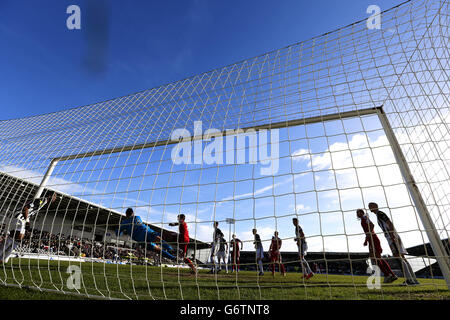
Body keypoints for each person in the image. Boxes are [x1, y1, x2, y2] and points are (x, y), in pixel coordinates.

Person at [368, 202, 419, 286]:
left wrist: (392, 235)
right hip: (393, 235)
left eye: (371, 206)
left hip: (391, 236)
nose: (369, 208)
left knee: (398, 257)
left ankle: (410, 280)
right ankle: (413, 279)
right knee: (402, 257)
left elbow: (389, 223)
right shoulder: (379, 215)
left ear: (375, 206)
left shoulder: (380, 213)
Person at [0, 192, 57, 264]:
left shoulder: (44, 202)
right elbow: (26, 208)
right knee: (18, 237)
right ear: (50, 195)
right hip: (20, 216)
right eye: (54, 196)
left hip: (23, 218)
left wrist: (28, 220)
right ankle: (2, 257)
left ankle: (3, 258)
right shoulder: (41, 200)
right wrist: (27, 221)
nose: (55, 198)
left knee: (17, 239)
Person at [356, 209, 397, 283]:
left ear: (362, 212)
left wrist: (369, 236)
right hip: (371, 239)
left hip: (373, 239)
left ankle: (388, 275)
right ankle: (391, 275)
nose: (357, 214)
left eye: (358, 212)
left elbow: (372, 225)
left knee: (375, 258)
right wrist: (366, 240)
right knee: (377, 257)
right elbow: (368, 231)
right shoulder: (363, 219)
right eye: (357, 213)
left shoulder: (365, 218)